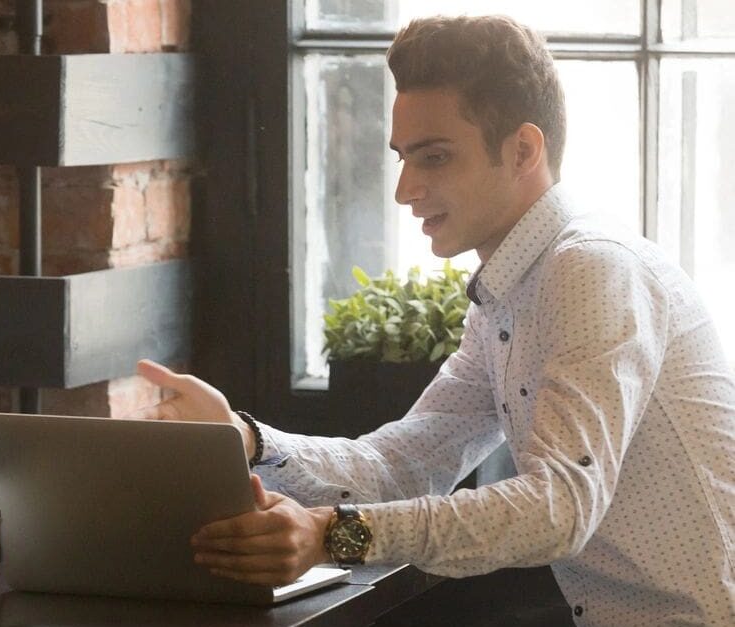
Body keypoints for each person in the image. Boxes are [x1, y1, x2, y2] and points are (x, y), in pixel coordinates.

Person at [134, 15, 735, 627]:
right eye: (403, 158)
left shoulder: (590, 269)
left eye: (435, 157)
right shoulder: (509, 290)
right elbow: (406, 464)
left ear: (524, 150)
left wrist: (331, 535)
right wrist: (247, 438)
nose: (404, 189)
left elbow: (560, 507)